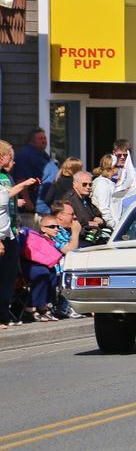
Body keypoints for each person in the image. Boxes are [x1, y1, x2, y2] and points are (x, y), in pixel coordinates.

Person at [1, 140, 40, 329]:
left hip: (11, 231)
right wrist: (24, 184)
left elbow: (4, 200)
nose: (13, 161)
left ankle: (4, 314)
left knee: (9, 275)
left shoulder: (7, 175)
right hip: (1, 234)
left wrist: (16, 203)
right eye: (11, 156)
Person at [23, 212, 81, 322]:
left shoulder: (54, 240)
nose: (56, 229)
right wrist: (75, 233)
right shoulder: (37, 238)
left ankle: (44, 307)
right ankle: (34, 307)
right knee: (43, 273)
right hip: (32, 266)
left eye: (57, 226)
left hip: (48, 267)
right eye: (52, 227)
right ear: (43, 229)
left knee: (51, 273)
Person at [12, 128, 53, 227]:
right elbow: (21, 178)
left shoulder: (42, 153)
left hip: (46, 204)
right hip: (36, 206)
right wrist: (27, 200)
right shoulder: (25, 154)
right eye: (40, 138)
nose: (44, 141)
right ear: (31, 140)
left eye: (44, 138)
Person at [90, 154, 123, 230]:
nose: (120, 169)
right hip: (108, 229)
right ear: (112, 168)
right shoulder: (102, 183)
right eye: (118, 166)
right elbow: (103, 208)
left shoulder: (108, 182)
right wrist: (114, 226)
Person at [111, 139, 136, 214]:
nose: (122, 157)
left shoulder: (134, 171)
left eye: (125, 155)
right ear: (113, 153)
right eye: (119, 155)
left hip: (132, 212)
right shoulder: (109, 172)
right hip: (116, 212)